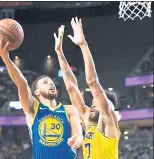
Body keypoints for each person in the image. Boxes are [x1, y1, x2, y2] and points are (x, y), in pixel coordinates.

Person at [0, 36, 83, 159]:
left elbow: (78, 133)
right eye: (45, 82)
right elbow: (22, 84)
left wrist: (78, 138)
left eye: (52, 82)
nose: (51, 84)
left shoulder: (69, 109)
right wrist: (5, 57)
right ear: (37, 92)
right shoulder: (33, 109)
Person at [54, 17, 121, 159]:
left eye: (95, 104)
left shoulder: (108, 121)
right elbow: (71, 87)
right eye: (92, 104)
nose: (91, 106)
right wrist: (60, 54)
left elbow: (92, 82)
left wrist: (83, 45)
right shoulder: (88, 121)